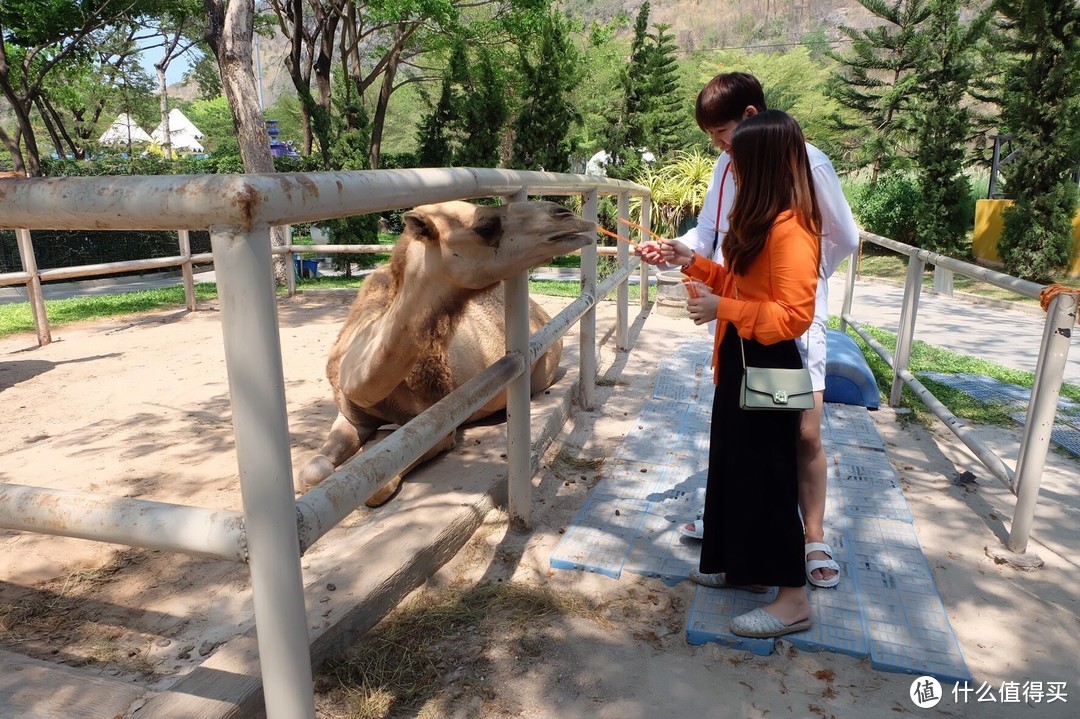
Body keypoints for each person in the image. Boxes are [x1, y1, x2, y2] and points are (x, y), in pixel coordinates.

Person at [639, 72, 859, 589]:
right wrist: (688, 259)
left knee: (792, 440)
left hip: (779, 332)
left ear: (754, 126)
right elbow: (717, 243)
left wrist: (785, 282)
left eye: (725, 139)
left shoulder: (799, 190)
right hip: (739, 324)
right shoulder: (739, 180)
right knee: (743, 441)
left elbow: (831, 253)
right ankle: (739, 543)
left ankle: (805, 545)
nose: (722, 154)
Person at [654, 109, 820, 637]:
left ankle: (792, 599)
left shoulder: (793, 228)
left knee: (770, 478)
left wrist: (721, 309)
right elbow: (743, 285)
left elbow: (794, 316)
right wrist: (691, 262)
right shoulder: (764, 220)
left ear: (764, 163)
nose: (730, 166)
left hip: (770, 364)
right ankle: (747, 571)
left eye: (738, 158)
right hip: (740, 357)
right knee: (735, 468)